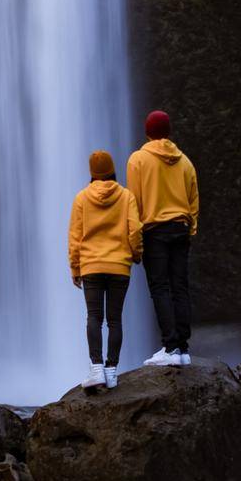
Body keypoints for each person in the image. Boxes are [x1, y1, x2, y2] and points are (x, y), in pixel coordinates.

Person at [126, 110, 200, 368]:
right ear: (168, 132)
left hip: (154, 230)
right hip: (180, 227)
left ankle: (170, 347)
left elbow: (133, 202)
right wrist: (190, 228)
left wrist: (134, 239)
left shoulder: (138, 160)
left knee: (160, 288)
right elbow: (193, 200)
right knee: (180, 287)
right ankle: (183, 347)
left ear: (147, 132)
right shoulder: (185, 162)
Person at [68, 149, 143, 390]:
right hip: (119, 266)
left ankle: (96, 368)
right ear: (112, 170)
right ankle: (112, 371)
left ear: (92, 173)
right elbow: (134, 230)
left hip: (91, 265)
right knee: (115, 319)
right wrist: (136, 254)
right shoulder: (126, 197)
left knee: (94, 317)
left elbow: (75, 237)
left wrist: (75, 268)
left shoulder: (81, 198)